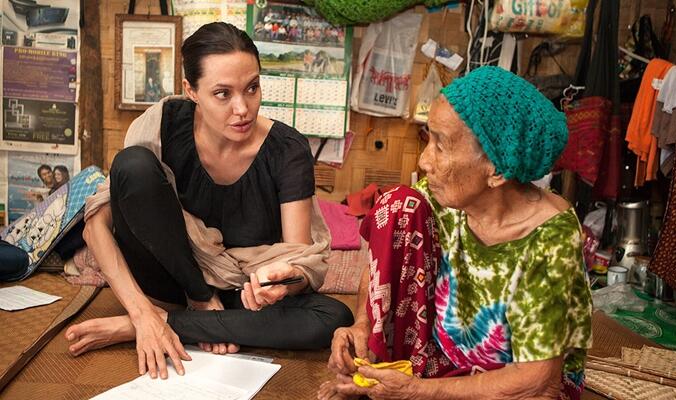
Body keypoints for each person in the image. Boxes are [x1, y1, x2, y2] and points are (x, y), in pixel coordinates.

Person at [64, 22, 353, 380]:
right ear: (192, 90)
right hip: (168, 282)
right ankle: (189, 311)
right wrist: (142, 311)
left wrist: (281, 280)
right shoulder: (162, 125)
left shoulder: (287, 150)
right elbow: (96, 229)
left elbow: (299, 263)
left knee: (333, 319)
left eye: (252, 88)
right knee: (132, 166)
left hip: (239, 295)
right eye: (222, 93)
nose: (242, 108)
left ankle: (169, 324)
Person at [320, 66, 592, 400]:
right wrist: (363, 323)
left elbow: (536, 381)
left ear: (496, 170)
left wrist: (417, 391)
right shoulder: (444, 198)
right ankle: (381, 363)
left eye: (440, 145)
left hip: (517, 386)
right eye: (428, 138)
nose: (424, 160)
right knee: (398, 206)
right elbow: (383, 262)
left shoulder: (550, 238)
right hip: (445, 362)